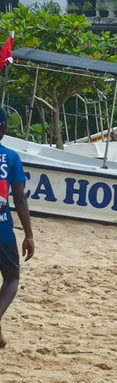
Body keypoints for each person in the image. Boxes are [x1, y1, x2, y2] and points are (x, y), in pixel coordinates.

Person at [0, 108, 35, 348]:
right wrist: (29, 235)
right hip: (3, 230)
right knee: (12, 277)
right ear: (4, 129)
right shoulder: (10, 157)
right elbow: (20, 199)